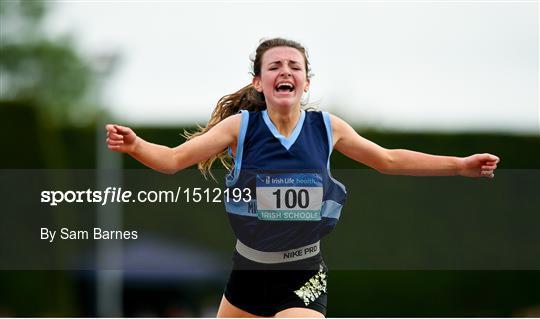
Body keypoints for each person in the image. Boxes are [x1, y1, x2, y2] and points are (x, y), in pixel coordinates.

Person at [105, 38, 499, 318]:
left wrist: (459, 165)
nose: (285, 71)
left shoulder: (328, 128)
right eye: (274, 66)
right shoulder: (240, 128)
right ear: (260, 82)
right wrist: (136, 145)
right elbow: (173, 160)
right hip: (247, 272)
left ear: (306, 83)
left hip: (303, 271)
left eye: (294, 66)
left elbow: (389, 159)